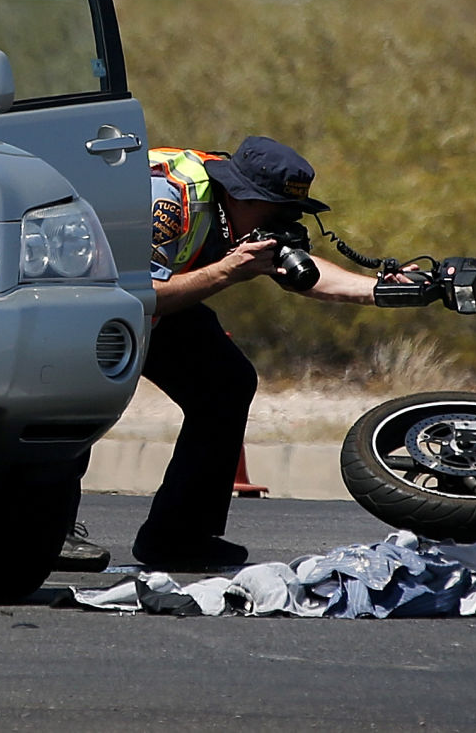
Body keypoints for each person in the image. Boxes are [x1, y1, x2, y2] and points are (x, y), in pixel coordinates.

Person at [129, 135, 398, 572]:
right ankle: (42, 527)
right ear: (239, 194)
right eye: (277, 209)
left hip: (158, 305)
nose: (285, 220)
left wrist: (380, 290)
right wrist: (227, 271)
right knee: (78, 404)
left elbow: (303, 272)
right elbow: (139, 296)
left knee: (225, 382)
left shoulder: (241, 217)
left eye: (293, 212)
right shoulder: (168, 200)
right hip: (91, 304)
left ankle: (178, 538)